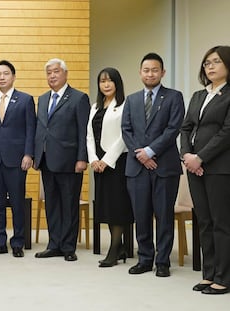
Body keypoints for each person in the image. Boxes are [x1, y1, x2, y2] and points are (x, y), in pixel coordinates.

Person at [121, 53, 184, 277]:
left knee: (164, 215)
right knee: (141, 214)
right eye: (146, 70)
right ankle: (145, 259)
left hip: (164, 166)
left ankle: (163, 261)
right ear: (140, 73)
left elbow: (173, 129)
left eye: (155, 70)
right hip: (137, 167)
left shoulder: (174, 97)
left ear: (162, 73)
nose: (150, 73)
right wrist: (141, 155)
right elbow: (126, 130)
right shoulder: (132, 99)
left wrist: (150, 151)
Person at [181, 45, 230, 295]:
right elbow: (186, 128)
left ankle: (224, 276)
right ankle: (209, 273)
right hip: (194, 167)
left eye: (216, 62)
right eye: (206, 63)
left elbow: (226, 132)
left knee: (222, 223)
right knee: (205, 222)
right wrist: (187, 156)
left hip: (220, 167)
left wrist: (201, 157)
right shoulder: (199, 95)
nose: (210, 66)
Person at [33, 58, 90, 262]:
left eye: (56, 72)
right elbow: (41, 129)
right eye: (49, 72)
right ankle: (54, 244)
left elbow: (84, 131)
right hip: (47, 160)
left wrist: (82, 158)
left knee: (69, 204)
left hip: (69, 161)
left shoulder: (78, 98)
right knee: (52, 205)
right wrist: (35, 154)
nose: (52, 76)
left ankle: (68, 246)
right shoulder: (42, 98)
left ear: (65, 73)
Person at [0, 60, 36, 258]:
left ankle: (18, 242)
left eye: (6, 73)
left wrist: (28, 154)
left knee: (17, 203)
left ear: (13, 76)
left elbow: (31, 128)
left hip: (16, 160)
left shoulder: (25, 99)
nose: (2, 77)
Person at [86, 67, 133, 267]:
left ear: (117, 83)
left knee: (117, 206)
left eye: (109, 81)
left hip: (117, 162)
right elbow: (89, 135)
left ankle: (114, 250)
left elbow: (125, 134)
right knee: (106, 205)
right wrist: (94, 159)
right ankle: (119, 246)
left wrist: (107, 159)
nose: (105, 84)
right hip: (98, 164)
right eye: (102, 81)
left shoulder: (124, 105)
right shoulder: (95, 106)